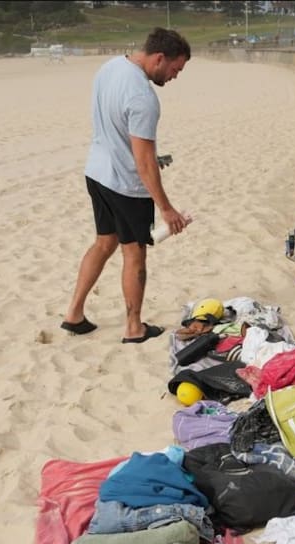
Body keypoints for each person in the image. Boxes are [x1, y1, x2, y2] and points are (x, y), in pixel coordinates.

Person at [62, 28, 192, 343]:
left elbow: (114, 124)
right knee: (134, 254)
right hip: (124, 185)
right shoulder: (144, 97)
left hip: (97, 173)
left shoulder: (110, 68)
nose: (175, 77)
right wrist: (167, 209)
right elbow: (144, 165)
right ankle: (134, 328)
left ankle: (74, 315)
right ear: (160, 58)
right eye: (175, 69)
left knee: (103, 243)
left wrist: (146, 157)